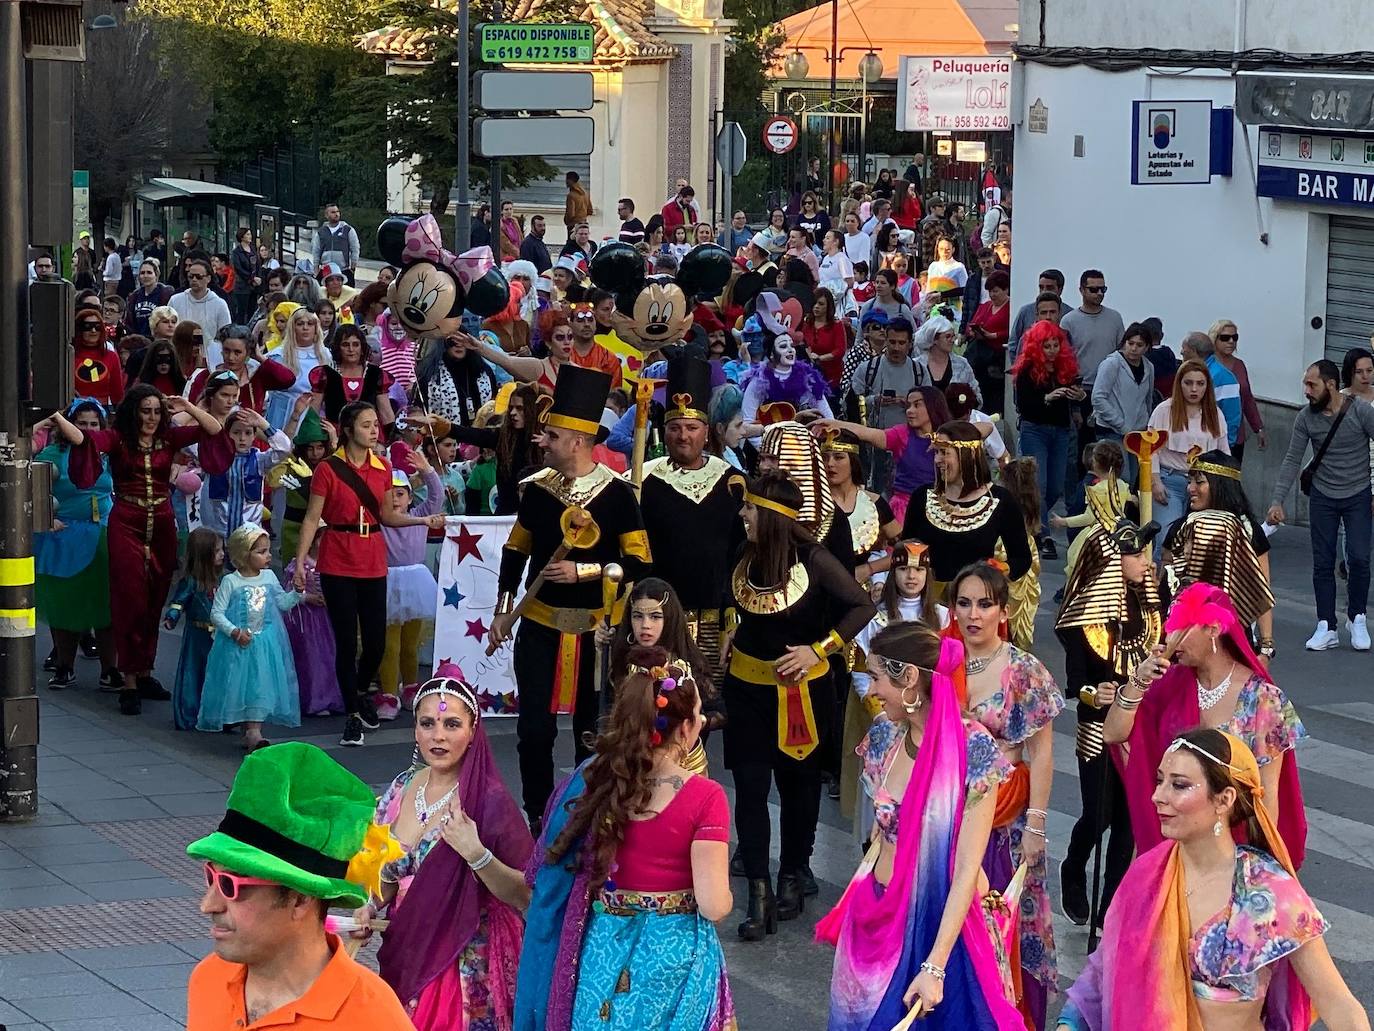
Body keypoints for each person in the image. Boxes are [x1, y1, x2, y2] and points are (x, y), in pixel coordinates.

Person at [1057, 729, 1370, 1031]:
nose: (1158, 796)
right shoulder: (1147, 874)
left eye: (1179, 785)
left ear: (1224, 799)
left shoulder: (1266, 891)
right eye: (1160, 781)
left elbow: (1339, 1004)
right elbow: (1101, 974)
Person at [517, 645, 735, 1031]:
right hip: (670, 959)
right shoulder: (705, 797)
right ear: (685, 728)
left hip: (602, 948)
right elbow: (714, 905)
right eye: (698, 715)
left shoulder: (597, 780)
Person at [817, 625, 1023, 1030]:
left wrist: (935, 966)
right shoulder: (882, 738)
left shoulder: (973, 749)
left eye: (877, 677)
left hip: (942, 926)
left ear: (909, 679)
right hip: (876, 917)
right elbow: (880, 832)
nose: (872, 690)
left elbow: (966, 868)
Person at [488, 366, 653, 828]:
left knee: (592, 730)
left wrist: (583, 571)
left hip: (597, 633)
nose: (544, 442)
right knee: (533, 731)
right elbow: (515, 551)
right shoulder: (537, 491)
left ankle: (588, 813)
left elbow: (640, 563)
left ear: (578, 442)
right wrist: (504, 611)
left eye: (553, 435)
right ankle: (538, 814)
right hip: (539, 624)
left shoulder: (619, 496)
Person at [723, 472, 874, 940]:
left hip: (801, 693)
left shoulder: (815, 558)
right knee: (749, 787)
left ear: (771, 516)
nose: (743, 514)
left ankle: (793, 873)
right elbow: (728, 598)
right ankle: (759, 892)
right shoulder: (742, 552)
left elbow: (861, 605)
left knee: (796, 786)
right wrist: (731, 625)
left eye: (750, 508)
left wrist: (819, 648)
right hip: (745, 687)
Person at [350, 667, 533, 1030]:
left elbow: (526, 895)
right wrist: (368, 908)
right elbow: (386, 875)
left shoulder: (488, 802)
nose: (438, 736)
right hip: (408, 951)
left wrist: (476, 853)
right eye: (428, 723)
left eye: (452, 724)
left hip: (464, 963)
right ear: (415, 730)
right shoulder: (401, 788)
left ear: (472, 732)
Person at [185, 743, 414, 1030]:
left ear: (300, 899)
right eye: (211, 876)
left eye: (231, 885)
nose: (208, 905)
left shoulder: (371, 1019)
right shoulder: (209, 978)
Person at [1105, 582, 1308, 867]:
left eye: (1180, 630)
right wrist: (1137, 682)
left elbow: (1267, 797)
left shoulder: (1264, 700)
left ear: (1212, 630)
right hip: (1172, 845)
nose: (1170, 639)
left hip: (1230, 850)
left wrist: (1255, 867)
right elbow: (1113, 733)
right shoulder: (1168, 685)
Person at [52, 386, 227, 715]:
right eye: (145, 411)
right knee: (129, 597)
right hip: (126, 521)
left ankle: (145, 672)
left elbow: (214, 428)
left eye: (156, 412)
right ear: (134, 412)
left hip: (162, 522)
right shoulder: (118, 439)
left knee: (155, 598)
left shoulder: (169, 439)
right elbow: (84, 441)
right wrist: (57, 415)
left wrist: (187, 403)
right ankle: (129, 678)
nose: (151, 418)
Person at [293, 402, 448, 747]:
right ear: (348, 430)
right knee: (347, 642)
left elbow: (388, 517)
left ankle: (362, 692)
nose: (374, 430)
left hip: (373, 558)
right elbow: (311, 518)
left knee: (376, 643)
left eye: (375, 424)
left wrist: (420, 520)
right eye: (366, 425)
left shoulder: (384, 468)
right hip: (337, 557)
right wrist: (302, 561)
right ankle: (351, 715)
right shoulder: (328, 469)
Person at [951, 561, 1063, 1028]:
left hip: (1004, 826)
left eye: (984, 604)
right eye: (963, 603)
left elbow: (1040, 755)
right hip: (949, 820)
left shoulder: (1023, 671)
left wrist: (1035, 827)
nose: (973, 615)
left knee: (1001, 935)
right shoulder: (942, 662)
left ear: (1003, 610)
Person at [1054, 518, 1164, 926]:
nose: (1143, 561)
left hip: (1139, 725)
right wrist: (1091, 692)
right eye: (1135, 553)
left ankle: (1109, 910)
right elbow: (1076, 684)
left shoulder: (1151, 601)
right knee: (1098, 813)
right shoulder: (1083, 617)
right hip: (1097, 725)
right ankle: (1073, 865)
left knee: (1131, 820)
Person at [637, 357, 745, 682]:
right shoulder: (645, 484)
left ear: (707, 432)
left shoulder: (732, 482)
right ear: (665, 432)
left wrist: (732, 613)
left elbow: (740, 552)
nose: (683, 436)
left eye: (692, 428)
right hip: (663, 619)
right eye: (675, 428)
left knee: (712, 709)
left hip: (718, 613)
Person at [1268, 359, 1374, 651]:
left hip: (1358, 494)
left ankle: (1358, 616)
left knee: (1360, 558)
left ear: (1329, 384)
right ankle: (1326, 625)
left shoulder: (1360, 411)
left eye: (1311, 384)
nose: (1306, 390)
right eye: (1305, 384)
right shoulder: (1306, 418)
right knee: (1323, 562)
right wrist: (1277, 500)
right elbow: (1292, 459)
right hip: (1323, 496)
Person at [841, 542, 946, 821]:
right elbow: (863, 672)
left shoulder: (944, 618)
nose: (911, 576)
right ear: (892, 573)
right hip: (882, 715)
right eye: (903, 569)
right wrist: (879, 715)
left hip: (930, 720)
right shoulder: (875, 617)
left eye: (918, 569)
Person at [31, 401, 120, 691]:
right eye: (82, 423)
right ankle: (64, 667)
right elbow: (32, 491)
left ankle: (110, 670)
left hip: (103, 535)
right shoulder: (52, 455)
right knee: (64, 607)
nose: (88, 429)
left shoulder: (106, 455)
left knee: (106, 606)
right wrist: (48, 518)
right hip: (64, 539)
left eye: (94, 424)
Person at [198, 523, 303, 749]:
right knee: (241, 685)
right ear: (244, 554)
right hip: (238, 645)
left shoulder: (269, 578)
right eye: (261, 551)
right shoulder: (231, 582)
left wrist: (297, 592)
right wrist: (234, 631)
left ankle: (255, 731)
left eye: (268, 550)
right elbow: (216, 613)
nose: (268, 556)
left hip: (264, 643)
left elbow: (282, 603)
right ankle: (247, 729)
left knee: (260, 684)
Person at [1164, 449, 1276, 656]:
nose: (1190, 488)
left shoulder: (1248, 531)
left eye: (1199, 482)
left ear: (1220, 487)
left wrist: (1266, 647)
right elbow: (1167, 586)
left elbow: (1261, 591)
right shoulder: (1180, 529)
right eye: (1190, 481)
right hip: (1182, 641)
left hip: (1233, 639)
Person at [901, 421, 1033, 592]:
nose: (937, 460)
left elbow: (1021, 558)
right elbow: (906, 549)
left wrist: (994, 571)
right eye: (936, 453)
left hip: (976, 601)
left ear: (967, 455)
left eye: (944, 453)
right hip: (927, 603)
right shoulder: (921, 496)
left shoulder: (1001, 500)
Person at [813, 384, 950, 524]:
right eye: (908, 406)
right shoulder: (901, 435)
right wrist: (835, 424)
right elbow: (868, 433)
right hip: (905, 511)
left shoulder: (952, 437)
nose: (909, 411)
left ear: (933, 406)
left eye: (917, 405)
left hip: (942, 508)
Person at [377, 458, 443, 715]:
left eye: (401, 493)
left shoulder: (419, 515)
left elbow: (437, 495)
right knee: (389, 644)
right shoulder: (381, 520)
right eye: (390, 493)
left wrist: (427, 470)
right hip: (387, 582)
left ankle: (411, 687)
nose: (395, 499)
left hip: (416, 584)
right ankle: (389, 694)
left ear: (410, 497)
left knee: (410, 644)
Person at [1013, 321, 1082, 558]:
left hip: (1061, 431)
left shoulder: (1066, 367)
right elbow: (1024, 406)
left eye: (1055, 345)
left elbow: (1076, 398)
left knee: (1055, 486)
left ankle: (1031, 517)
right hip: (1035, 430)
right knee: (1038, 484)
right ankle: (1042, 535)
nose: (1052, 350)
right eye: (1047, 346)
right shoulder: (1026, 370)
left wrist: (1079, 396)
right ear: (1036, 347)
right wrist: (1047, 397)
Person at [1147, 359, 1229, 548]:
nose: (1194, 389)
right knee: (1166, 538)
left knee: (1198, 542)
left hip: (1203, 483)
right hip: (1170, 480)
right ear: (1179, 384)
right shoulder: (1164, 410)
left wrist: (1223, 488)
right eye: (1188, 383)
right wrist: (1155, 481)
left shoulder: (1215, 414)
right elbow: (1151, 450)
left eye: (1200, 384)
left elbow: (1224, 454)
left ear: (1207, 386)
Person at [199, 407, 292, 554]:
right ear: (227, 434)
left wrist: (263, 424)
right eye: (236, 433)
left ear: (255, 435)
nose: (242, 438)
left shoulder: (260, 460)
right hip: (218, 534)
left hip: (249, 535)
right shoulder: (214, 457)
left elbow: (284, 449)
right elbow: (188, 446)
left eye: (248, 433)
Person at [446, 383, 544, 516]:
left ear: (532, 409)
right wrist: (443, 426)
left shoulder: (546, 441)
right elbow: (471, 434)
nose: (513, 413)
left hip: (538, 515)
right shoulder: (501, 437)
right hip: (505, 515)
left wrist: (551, 445)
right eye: (511, 408)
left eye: (520, 408)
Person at [163, 527, 224, 730]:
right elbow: (179, 601)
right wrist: (172, 616)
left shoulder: (224, 580)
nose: (222, 554)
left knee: (217, 674)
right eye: (217, 551)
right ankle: (189, 712)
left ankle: (218, 714)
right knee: (193, 672)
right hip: (197, 635)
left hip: (220, 636)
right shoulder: (192, 582)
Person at [820, 428, 901, 580]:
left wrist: (869, 569)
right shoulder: (811, 502)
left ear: (853, 461)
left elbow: (907, 549)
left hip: (860, 593)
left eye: (838, 457)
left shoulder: (874, 503)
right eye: (824, 458)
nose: (830, 464)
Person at [283, 531, 343, 718]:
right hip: (307, 622)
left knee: (330, 656)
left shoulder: (334, 564)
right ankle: (314, 699)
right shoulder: (299, 565)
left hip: (327, 619)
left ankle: (331, 697)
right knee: (312, 659)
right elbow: (286, 593)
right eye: (321, 538)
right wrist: (308, 597)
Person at [1089, 323, 1155, 482]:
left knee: (1132, 478)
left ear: (1146, 347)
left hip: (1137, 432)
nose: (1133, 349)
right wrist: (1120, 424)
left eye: (1139, 345)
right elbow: (1098, 397)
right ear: (1124, 342)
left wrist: (1147, 424)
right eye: (1130, 343)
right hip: (1111, 430)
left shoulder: (1149, 367)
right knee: (1118, 477)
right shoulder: (1112, 364)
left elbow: (1148, 398)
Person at [739, 331, 833, 432]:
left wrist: (831, 431)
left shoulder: (807, 376)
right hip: (768, 440)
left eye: (792, 345)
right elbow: (747, 422)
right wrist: (762, 446)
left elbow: (826, 412)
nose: (790, 350)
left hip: (801, 441)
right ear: (771, 353)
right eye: (783, 346)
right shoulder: (760, 380)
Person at [311, 324, 395, 428]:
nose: (351, 349)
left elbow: (386, 413)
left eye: (355, 344)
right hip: (335, 436)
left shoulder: (376, 374)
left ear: (362, 347)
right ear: (338, 347)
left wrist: (394, 437)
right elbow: (313, 413)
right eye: (345, 345)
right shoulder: (325, 374)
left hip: (369, 436)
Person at [1059, 270, 1124, 399]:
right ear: (1081, 290)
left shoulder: (1115, 318)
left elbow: (1122, 352)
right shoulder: (1068, 321)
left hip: (1110, 386)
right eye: (1093, 290)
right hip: (1080, 387)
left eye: (1103, 289)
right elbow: (1063, 358)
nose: (1099, 293)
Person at [265, 305, 330, 431]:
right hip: (282, 416)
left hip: (312, 415)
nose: (305, 328)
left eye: (310, 324)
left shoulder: (325, 355)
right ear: (293, 327)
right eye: (300, 324)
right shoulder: (279, 355)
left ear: (316, 328)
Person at [170, 256, 234, 363]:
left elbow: (225, 335)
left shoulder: (220, 304)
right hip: (179, 358)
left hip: (210, 359)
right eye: (191, 276)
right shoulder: (175, 300)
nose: (194, 280)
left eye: (199, 276)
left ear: (208, 278)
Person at [964, 270, 1011, 415]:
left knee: (994, 394)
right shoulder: (985, 306)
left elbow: (1012, 331)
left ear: (1006, 289)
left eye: (996, 291)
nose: (992, 295)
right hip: (979, 356)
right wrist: (972, 331)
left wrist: (994, 335)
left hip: (997, 357)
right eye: (990, 291)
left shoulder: (1011, 307)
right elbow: (971, 322)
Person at [916, 312, 981, 402]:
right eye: (948, 337)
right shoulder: (916, 365)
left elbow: (977, 397)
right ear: (934, 339)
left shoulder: (962, 364)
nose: (952, 340)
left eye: (953, 336)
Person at [71, 305, 126, 407]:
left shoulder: (111, 356)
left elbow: (117, 394)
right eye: (87, 327)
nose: (93, 331)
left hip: (102, 412)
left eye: (97, 326)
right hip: (73, 410)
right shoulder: (69, 356)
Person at [122, 258, 175, 337]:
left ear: (156, 275)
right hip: (139, 341)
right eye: (142, 273)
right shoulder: (134, 296)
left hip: (159, 340)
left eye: (149, 273)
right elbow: (130, 323)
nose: (145, 276)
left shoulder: (166, 294)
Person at [312, 202, 360, 283]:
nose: (336, 214)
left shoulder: (348, 230)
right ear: (326, 215)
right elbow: (316, 251)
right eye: (333, 212)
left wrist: (353, 267)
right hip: (326, 270)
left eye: (337, 212)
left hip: (343, 270)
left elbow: (355, 248)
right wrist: (316, 270)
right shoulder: (321, 232)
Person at [925, 236, 969, 322]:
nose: (944, 252)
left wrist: (942, 294)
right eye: (941, 249)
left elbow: (965, 289)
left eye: (947, 249)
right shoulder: (933, 266)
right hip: (934, 310)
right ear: (937, 249)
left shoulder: (959, 267)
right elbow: (929, 289)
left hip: (953, 311)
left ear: (953, 250)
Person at [229, 227, 260, 323]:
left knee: (252, 310)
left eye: (250, 234)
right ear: (242, 237)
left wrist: (258, 277)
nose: (250, 236)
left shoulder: (253, 249)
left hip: (254, 286)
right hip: (242, 286)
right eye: (247, 234)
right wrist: (251, 278)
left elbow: (258, 264)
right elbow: (238, 269)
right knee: (242, 312)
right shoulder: (236, 252)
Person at [563, 170, 593, 236]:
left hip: (573, 226)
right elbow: (590, 210)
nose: (565, 182)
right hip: (584, 224)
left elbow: (571, 214)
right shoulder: (585, 193)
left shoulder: (571, 195)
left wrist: (566, 221)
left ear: (571, 180)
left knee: (572, 244)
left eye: (567, 180)